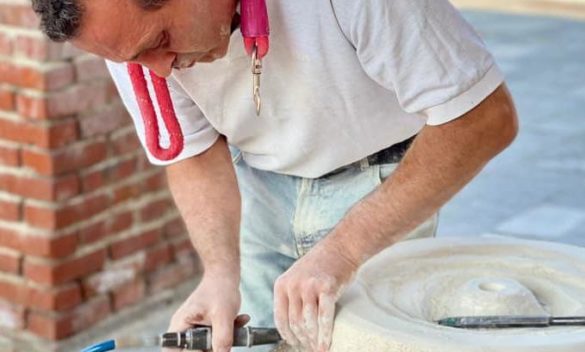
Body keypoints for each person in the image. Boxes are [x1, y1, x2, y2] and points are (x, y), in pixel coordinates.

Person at [31, 0, 518, 351]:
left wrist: (344, 250)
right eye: (133, 58)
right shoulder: (129, 41)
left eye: (160, 41)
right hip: (258, 185)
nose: (159, 69)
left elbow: (482, 117)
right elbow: (192, 151)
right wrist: (220, 274)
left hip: (383, 181)